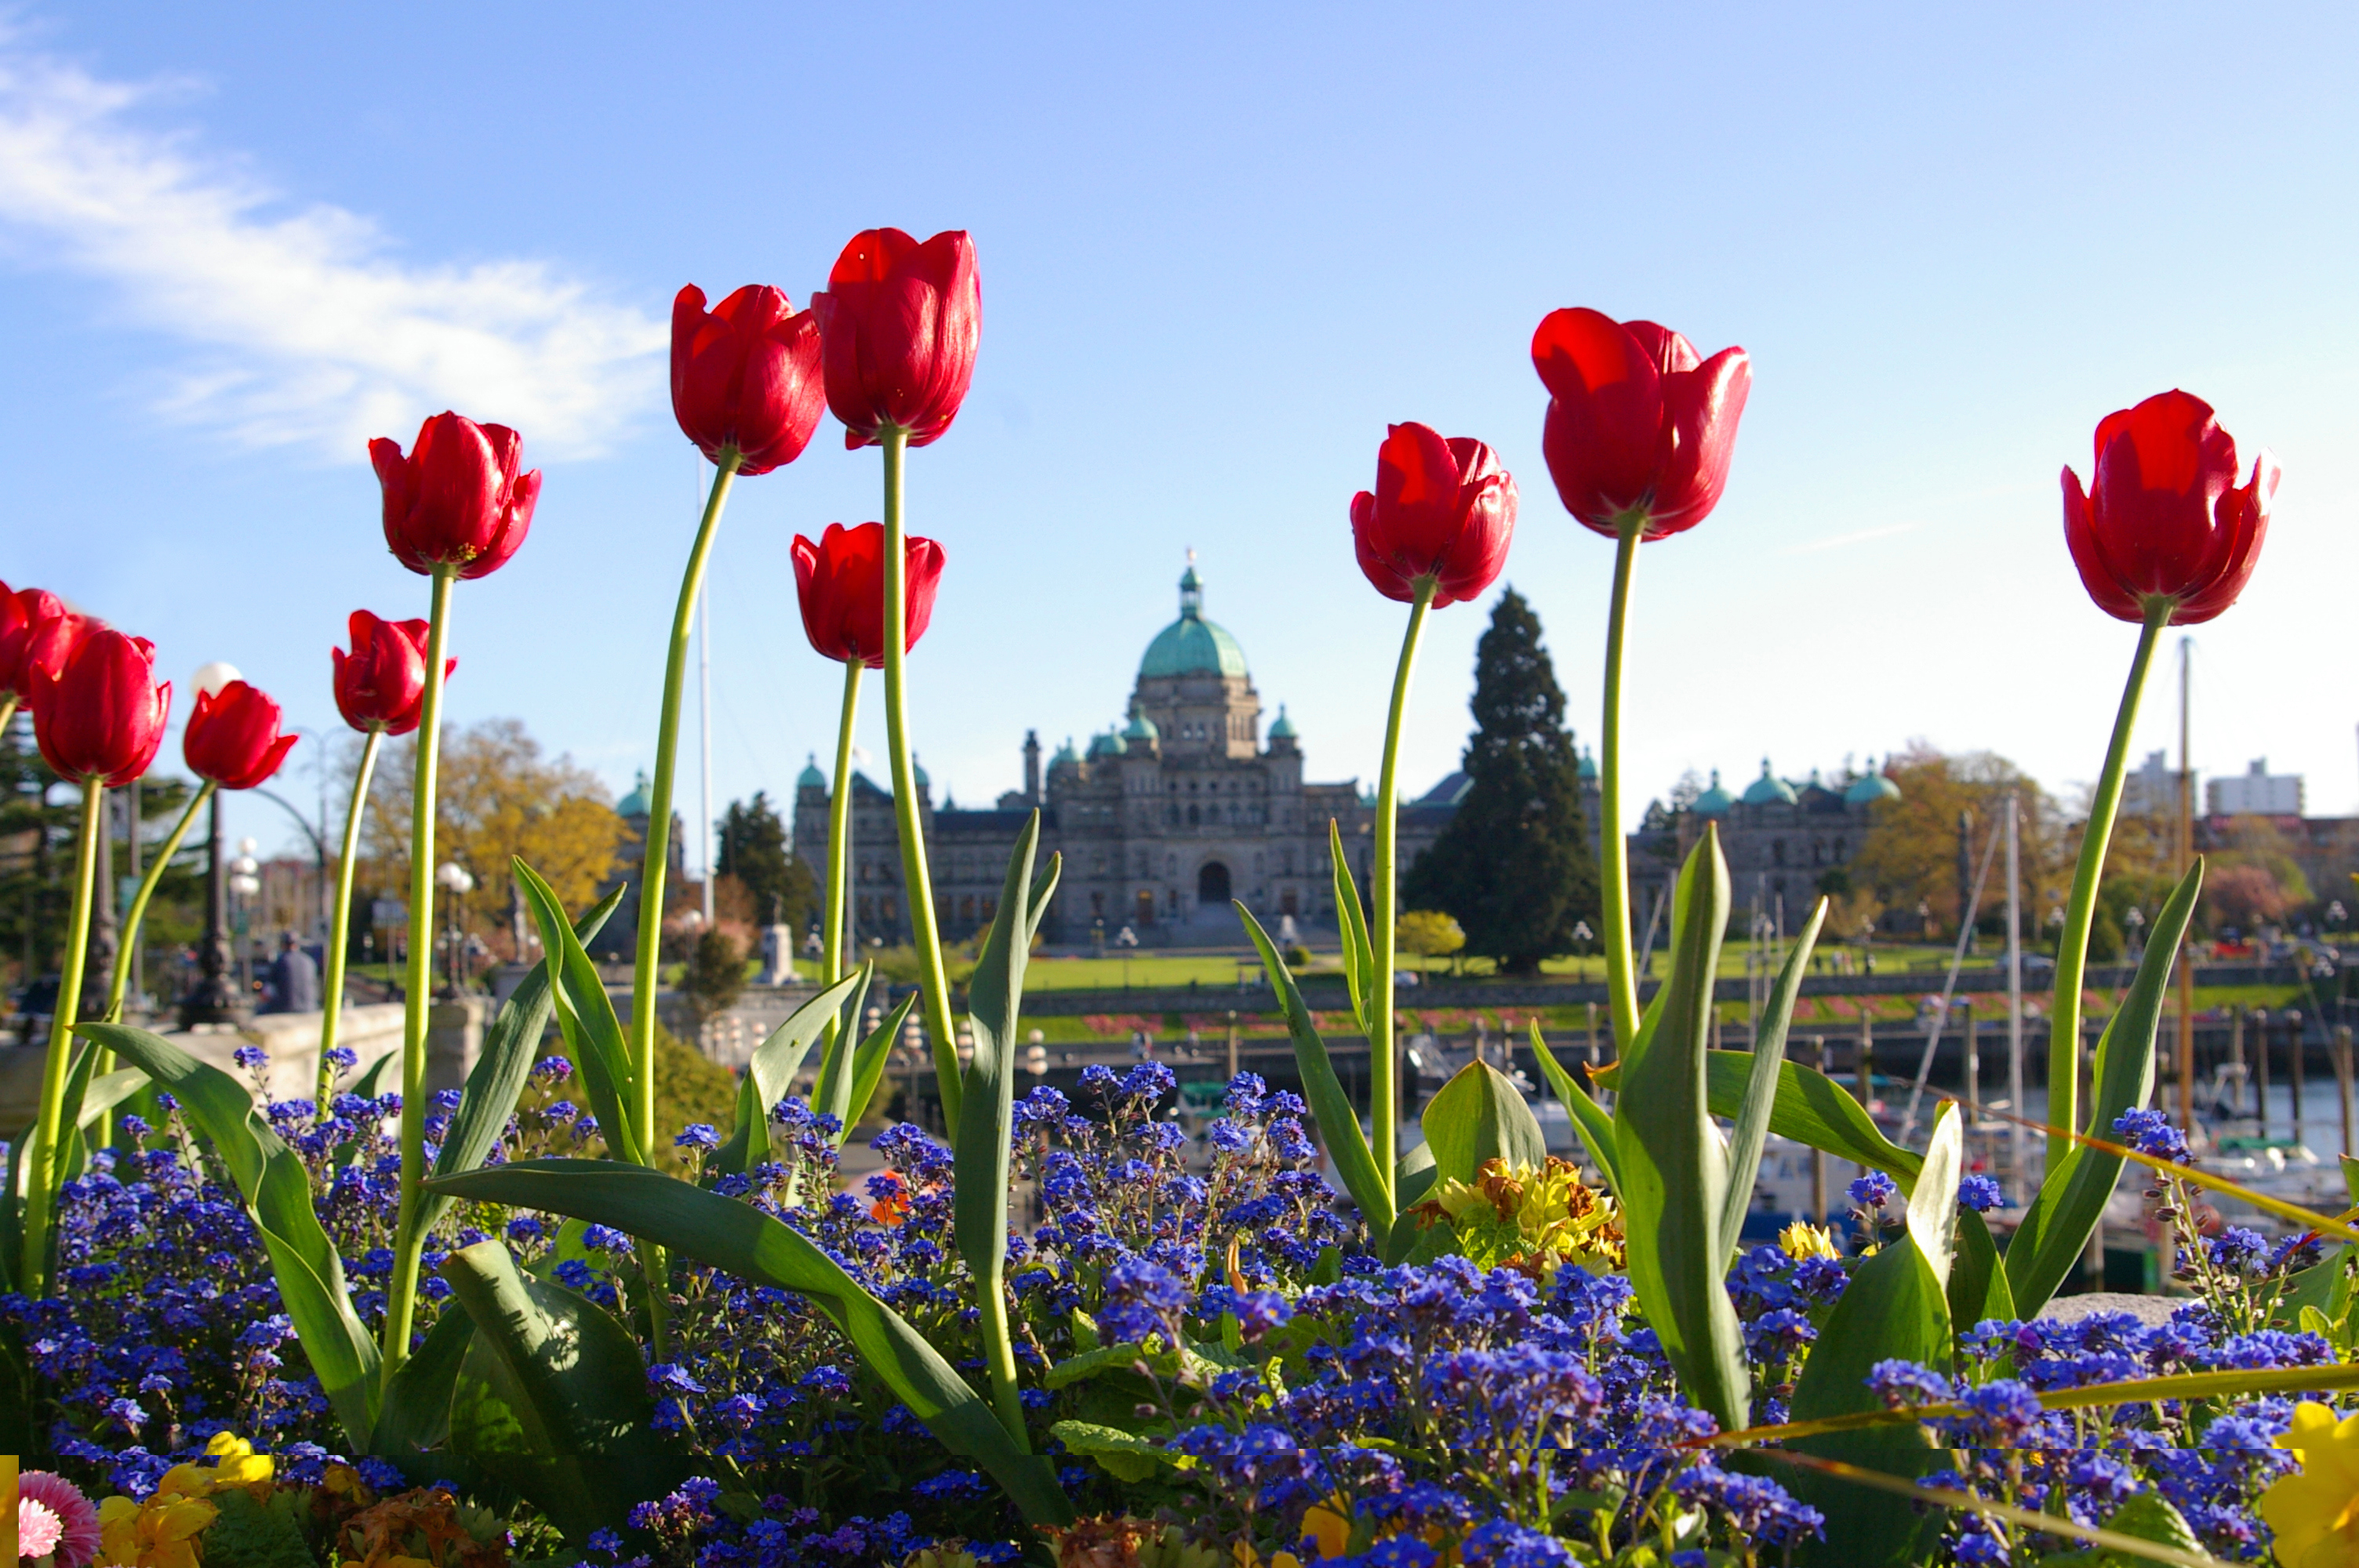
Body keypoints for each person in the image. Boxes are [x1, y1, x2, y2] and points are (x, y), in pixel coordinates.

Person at [264, 931, 319, 1014]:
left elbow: (268, 991)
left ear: (282, 944)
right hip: (310, 1007)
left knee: (258, 1011)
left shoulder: (281, 961)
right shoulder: (309, 961)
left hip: (285, 1008)